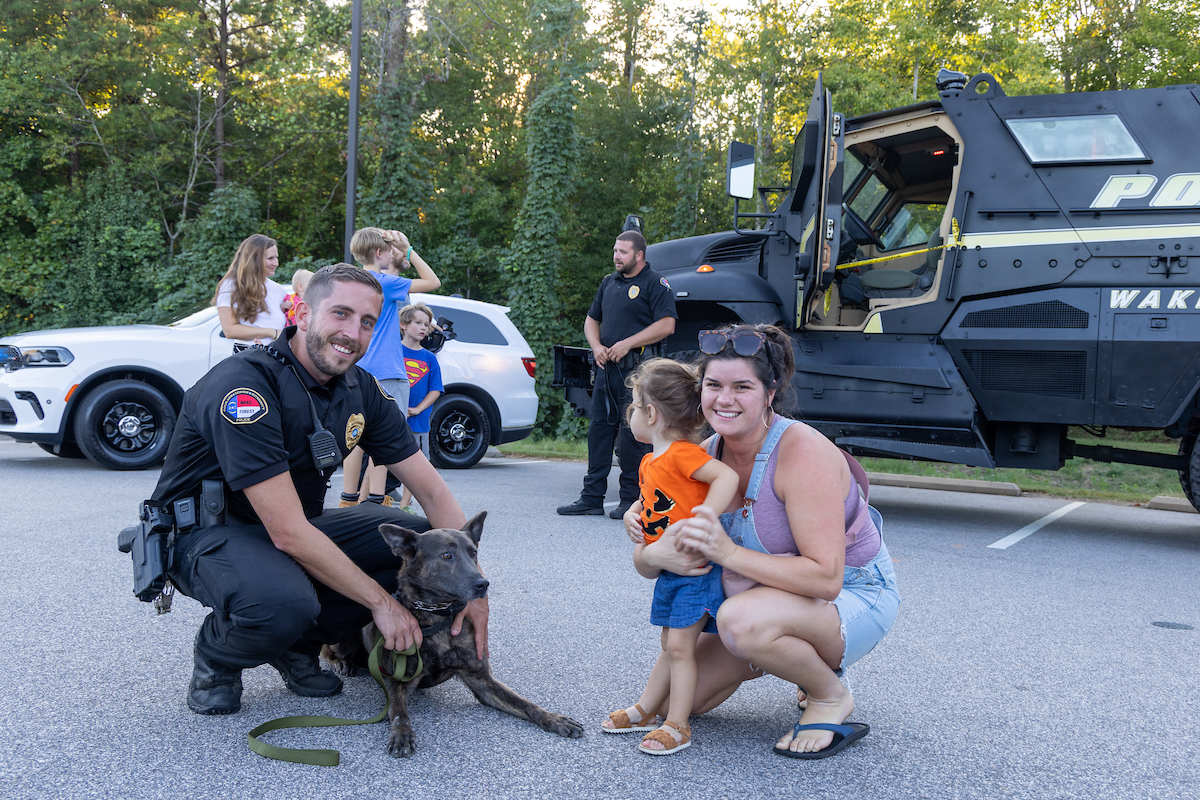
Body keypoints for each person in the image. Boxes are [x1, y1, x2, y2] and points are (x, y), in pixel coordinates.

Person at [146, 263, 488, 715]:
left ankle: (298, 646)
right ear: (303, 314)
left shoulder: (360, 388)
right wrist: (383, 605)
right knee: (282, 601)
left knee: (427, 544)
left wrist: (473, 591)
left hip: (290, 529)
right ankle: (219, 656)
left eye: (367, 322)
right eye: (340, 313)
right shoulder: (245, 386)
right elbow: (287, 531)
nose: (352, 333)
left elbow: (432, 491)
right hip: (209, 535)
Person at [630, 324, 899, 759]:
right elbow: (649, 561)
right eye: (714, 385)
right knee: (673, 702)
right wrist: (650, 551)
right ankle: (784, 656)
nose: (725, 399)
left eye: (742, 387)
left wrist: (727, 552)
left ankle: (828, 692)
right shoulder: (701, 456)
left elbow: (826, 579)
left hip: (851, 594)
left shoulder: (801, 452)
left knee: (740, 621)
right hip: (761, 598)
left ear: (770, 393)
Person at [601, 358, 737, 755]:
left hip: (696, 570)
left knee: (679, 646)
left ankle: (677, 724)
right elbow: (652, 500)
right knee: (670, 643)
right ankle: (646, 709)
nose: (630, 414)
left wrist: (706, 516)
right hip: (670, 569)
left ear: (651, 414)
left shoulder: (681, 453)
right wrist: (632, 513)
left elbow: (726, 477)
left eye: (633, 405)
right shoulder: (651, 461)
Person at [557, 231, 677, 519]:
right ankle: (591, 498)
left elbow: (667, 324)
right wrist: (596, 346)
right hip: (606, 370)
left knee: (633, 435)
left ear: (639, 255)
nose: (616, 256)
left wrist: (628, 344)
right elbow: (591, 319)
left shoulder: (654, 283)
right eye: (615, 250)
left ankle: (631, 499)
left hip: (637, 372)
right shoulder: (609, 282)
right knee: (599, 431)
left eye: (622, 252)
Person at [339, 228, 441, 508]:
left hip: (356, 368)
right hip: (388, 371)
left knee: (354, 436)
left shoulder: (351, 281)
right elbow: (432, 282)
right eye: (388, 250)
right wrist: (408, 250)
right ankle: (376, 501)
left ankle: (348, 499)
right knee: (383, 438)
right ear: (379, 253)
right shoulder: (385, 282)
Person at [394, 303, 443, 513]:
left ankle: (405, 504)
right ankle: (373, 498)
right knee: (381, 460)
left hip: (418, 422)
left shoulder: (429, 358)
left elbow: (435, 389)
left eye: (426, 324)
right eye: (418, 323)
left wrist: (417, 409)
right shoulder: (393, 352)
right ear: (403, 324)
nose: (423, 328)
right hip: (393, 419)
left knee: (416, 465)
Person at [213, 234, 291, 343]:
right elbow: (229, 330)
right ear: (254, 259)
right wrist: (272, 332)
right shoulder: (232, 286)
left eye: (276, 257)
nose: (276, 263)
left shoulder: (279, 290)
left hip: (277, 352)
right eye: (270, 258)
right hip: (249, 352)